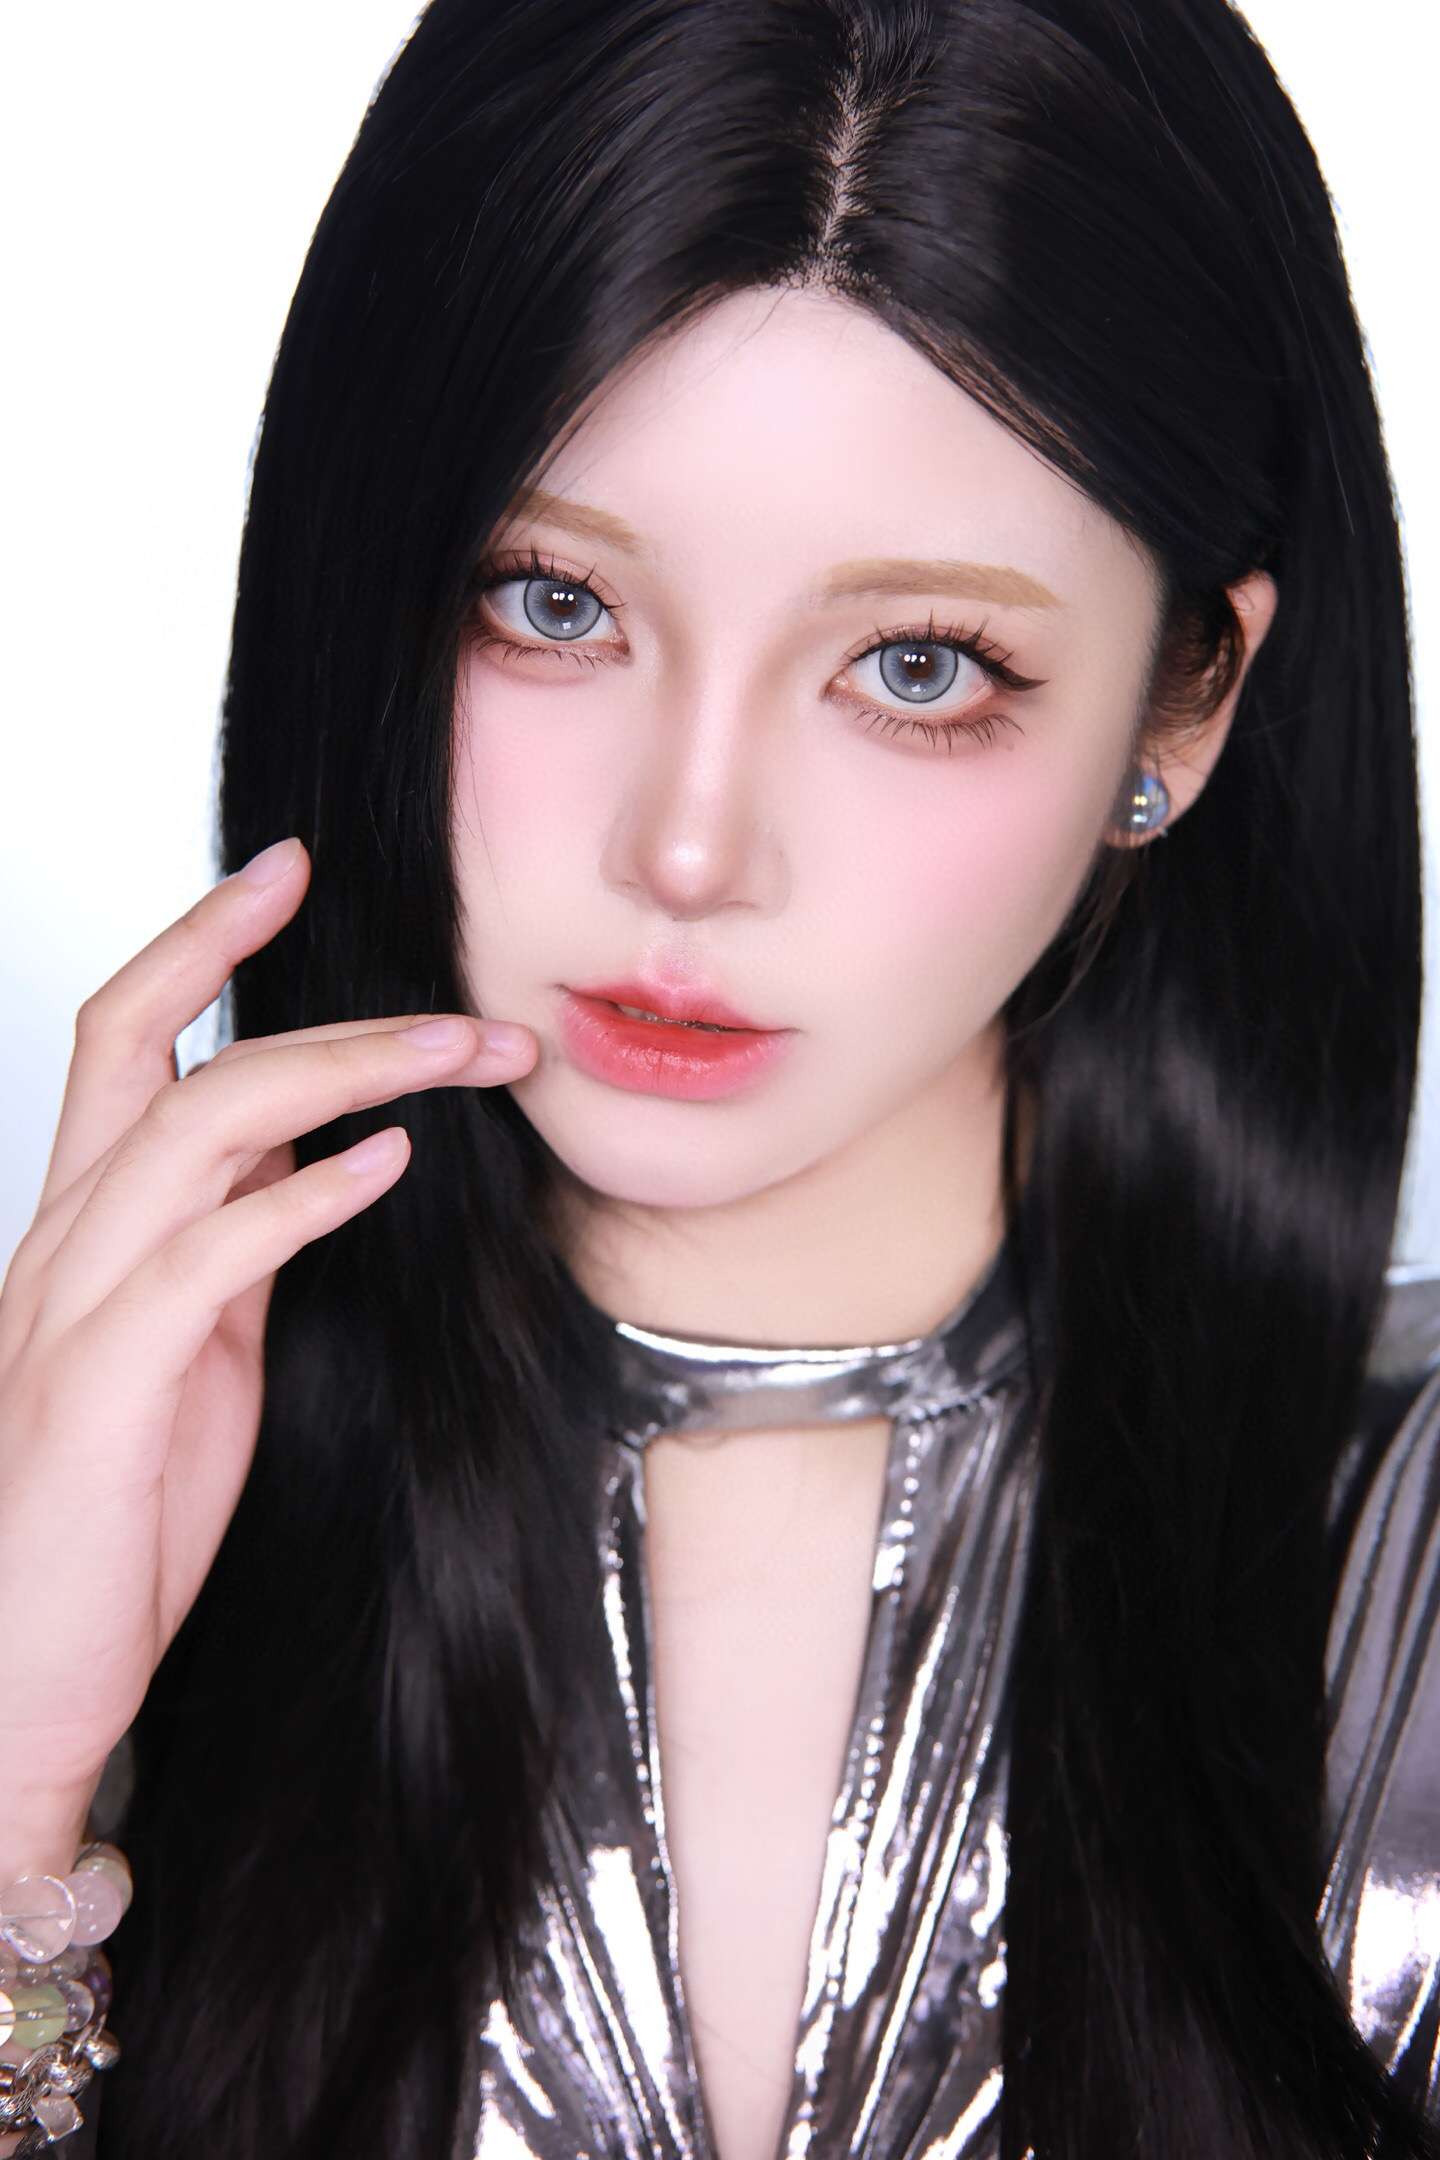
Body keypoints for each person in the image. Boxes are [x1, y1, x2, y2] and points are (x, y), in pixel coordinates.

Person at [0, 0, 1436, 2153]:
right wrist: (17, 1782)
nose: (687, 849)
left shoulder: (1407, 1549)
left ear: (1183, 707)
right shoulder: (100, 1510)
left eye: (918, 665)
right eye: (552, 603)